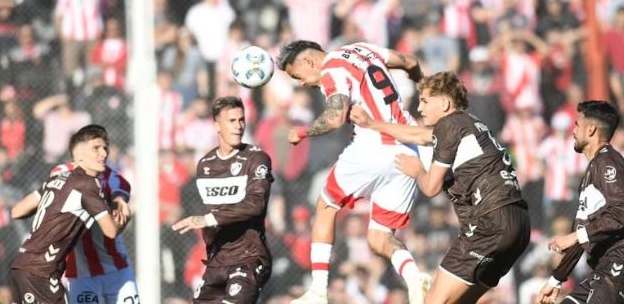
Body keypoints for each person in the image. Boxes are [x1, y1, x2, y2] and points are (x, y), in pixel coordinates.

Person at [350, 71, 531, 303]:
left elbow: (431, 187)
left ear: (445, 103)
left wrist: (417, 170)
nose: (420, 109)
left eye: (425, 101)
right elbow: (418, 135)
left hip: (488, 223)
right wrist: (372, 124)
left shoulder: (449, 125)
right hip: (518, 225)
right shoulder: (468, 124)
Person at [277, 40, 432, 304]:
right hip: (408, 149)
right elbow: (410, 62)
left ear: (309, 62)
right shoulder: (363, 49)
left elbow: (335, 118)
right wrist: (425, 93)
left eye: (297, 75)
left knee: (326, 205)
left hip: (372, 145)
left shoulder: (331, 69)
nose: (302, 83)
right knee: (379, 237)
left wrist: (300, 132)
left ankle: (317, 292)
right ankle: (415, 278)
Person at [536, 101, 624, 304]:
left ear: (591, 129)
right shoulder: (593, 169)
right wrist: (556, 279)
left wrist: (574, 236)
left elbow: (620, 214)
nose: (573, 131)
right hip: (608, 261)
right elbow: (584, 235)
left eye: (577, 124)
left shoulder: (607, 161)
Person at [11, 124, 138, 304]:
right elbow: (112, 229)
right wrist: (125, 217)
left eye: (105, 147)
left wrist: (120, 203)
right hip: (74, 273)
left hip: (115, 268)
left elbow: (17, 211)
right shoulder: (86, 183)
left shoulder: (109, 178)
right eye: (96, 148)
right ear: (79, 153)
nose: (104, 153)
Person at [171, 96, 274, 304]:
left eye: (241, 120)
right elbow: (213, 209)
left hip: (249, 257)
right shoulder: (206, 165)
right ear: (217, 125)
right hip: (217, 261)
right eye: (232, 121)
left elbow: (256, 205)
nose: (239, 126)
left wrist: (207, 220)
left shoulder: (256, 159)